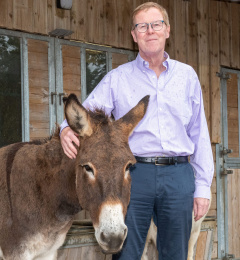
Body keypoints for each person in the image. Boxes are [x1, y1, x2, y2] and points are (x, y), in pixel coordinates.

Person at [59, 2, 214, 259]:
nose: (150, 31)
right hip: (133, 175)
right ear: (134, 35)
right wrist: (66, 129)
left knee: (176, 254)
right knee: (127, 254)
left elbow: (199, 133)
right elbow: (84, 112)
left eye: (156, 25)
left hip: (178, 176)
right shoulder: (117, 78)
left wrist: (202, 187)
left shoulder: (188, 77)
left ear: (167, 30)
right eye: (142, 26)